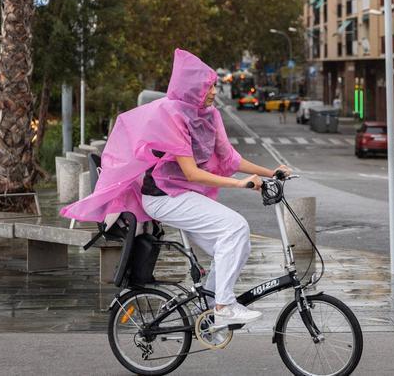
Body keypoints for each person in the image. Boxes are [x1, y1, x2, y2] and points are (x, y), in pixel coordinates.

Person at [62, 49, 288, 328]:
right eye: (209, 86)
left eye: (214, 85)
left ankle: (209, 311)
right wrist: (240, 183)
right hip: (162, 197)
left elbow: (229, 158)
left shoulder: (209, 115)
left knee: (234, 245)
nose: (215, 91)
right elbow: (193, 172)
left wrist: (271, 172)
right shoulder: (172, 116)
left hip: (185, 195)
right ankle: (223, 305)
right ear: (192, 88)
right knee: (236, 227)